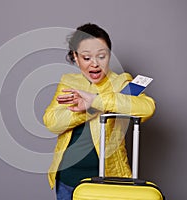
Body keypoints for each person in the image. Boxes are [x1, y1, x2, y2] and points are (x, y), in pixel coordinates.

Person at [43, 23, 155, 200]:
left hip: (109, 180)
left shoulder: (121, 82)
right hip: (68, 179)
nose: (94, 64)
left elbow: (147, 108)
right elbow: (52, 122)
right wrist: (87, 111)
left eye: (101, 56)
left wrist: (95, 101)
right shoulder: (68, 82)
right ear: (75, 57)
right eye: (86, 58)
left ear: (109, 56)